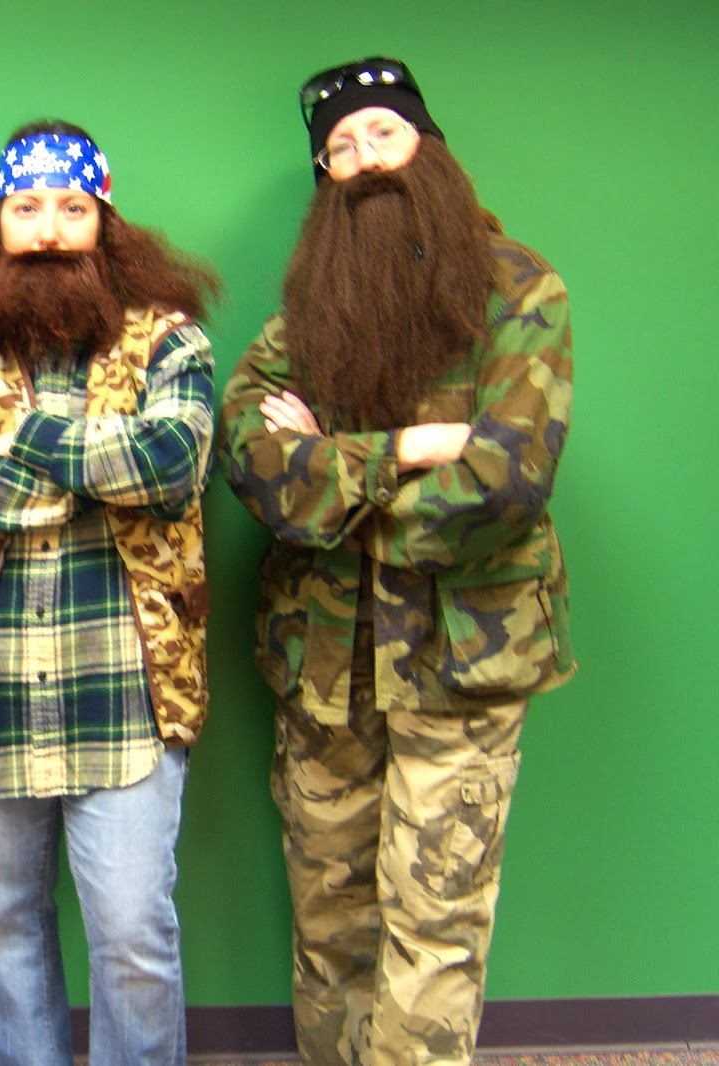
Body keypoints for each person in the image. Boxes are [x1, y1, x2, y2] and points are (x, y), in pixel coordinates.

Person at [218, 57, 576, 1066]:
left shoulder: (521, 288)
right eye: (338, 148)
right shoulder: (305, 311)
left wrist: (332, 478)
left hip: (464, 666)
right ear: (324, 180)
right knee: (329, 924)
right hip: (323, 665)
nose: (363, 158)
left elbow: (504, 484)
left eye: (383, 132)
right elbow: (250, 459)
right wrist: (407, 450)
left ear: (430, 149)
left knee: (435, 931)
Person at [0, 120, 220, 1066]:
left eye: (72, 208)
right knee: (6, 925)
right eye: (27, 208)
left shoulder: (171, 344)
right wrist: (94, 471)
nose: (48, 230)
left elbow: (171, 465)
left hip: (128, 692)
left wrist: (25, 442)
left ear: (106, 224)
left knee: (133, 937)